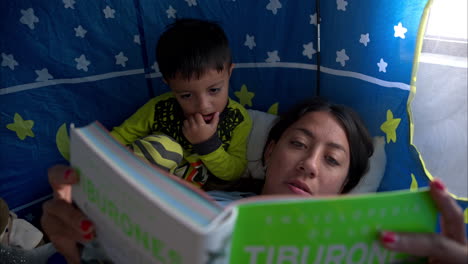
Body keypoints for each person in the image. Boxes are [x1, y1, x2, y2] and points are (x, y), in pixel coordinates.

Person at [41, 98, 468, 263]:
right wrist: (71, 247)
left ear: (344, 187)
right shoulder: (194, 202)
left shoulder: (362, 251)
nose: (310, 165)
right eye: (298, 144)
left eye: (333, 160)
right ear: (270, 151)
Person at [110, 18, 252, 189]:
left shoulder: (237, 119)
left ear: (229, 73)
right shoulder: (160, 108)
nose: (203, 105)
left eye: (214, 90)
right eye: (186, 95)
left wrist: (206, 143)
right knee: (165, 149)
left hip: (184, 197)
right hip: (142, 183)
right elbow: (116, 139)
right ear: (168, 83)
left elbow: (234, 171)